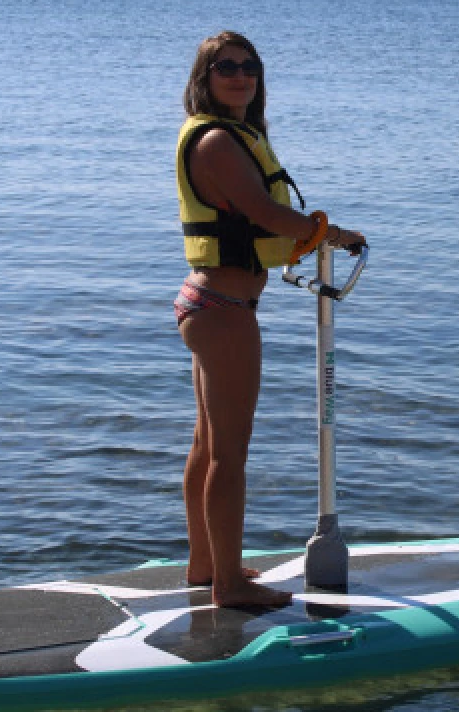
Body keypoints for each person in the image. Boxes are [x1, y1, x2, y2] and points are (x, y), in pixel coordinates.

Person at [174, 31, 365, 608]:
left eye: (248, 66)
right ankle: (227, 585)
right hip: (224, 312)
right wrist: (335, 235)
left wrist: (312, 233)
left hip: (211, 305)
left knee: (209, 446)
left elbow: (260, 220)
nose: (239, 75)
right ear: (204, 79)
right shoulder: (215, 142)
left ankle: (205, 564)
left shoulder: (237, 136)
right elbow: (263, 212)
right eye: (224, 66)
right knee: (229, 452)